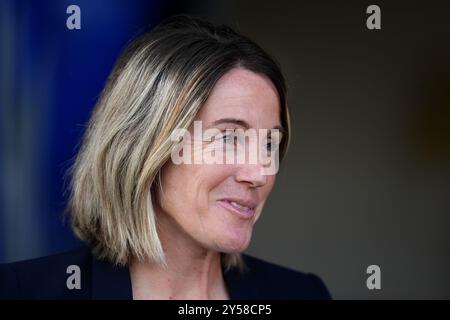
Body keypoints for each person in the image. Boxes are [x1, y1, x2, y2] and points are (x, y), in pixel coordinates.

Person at [0, 15, 331, 300]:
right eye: (229, 137)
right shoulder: (21, 291)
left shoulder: (301, 293)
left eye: (269, 144)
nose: (259, 173)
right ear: (146, 146)